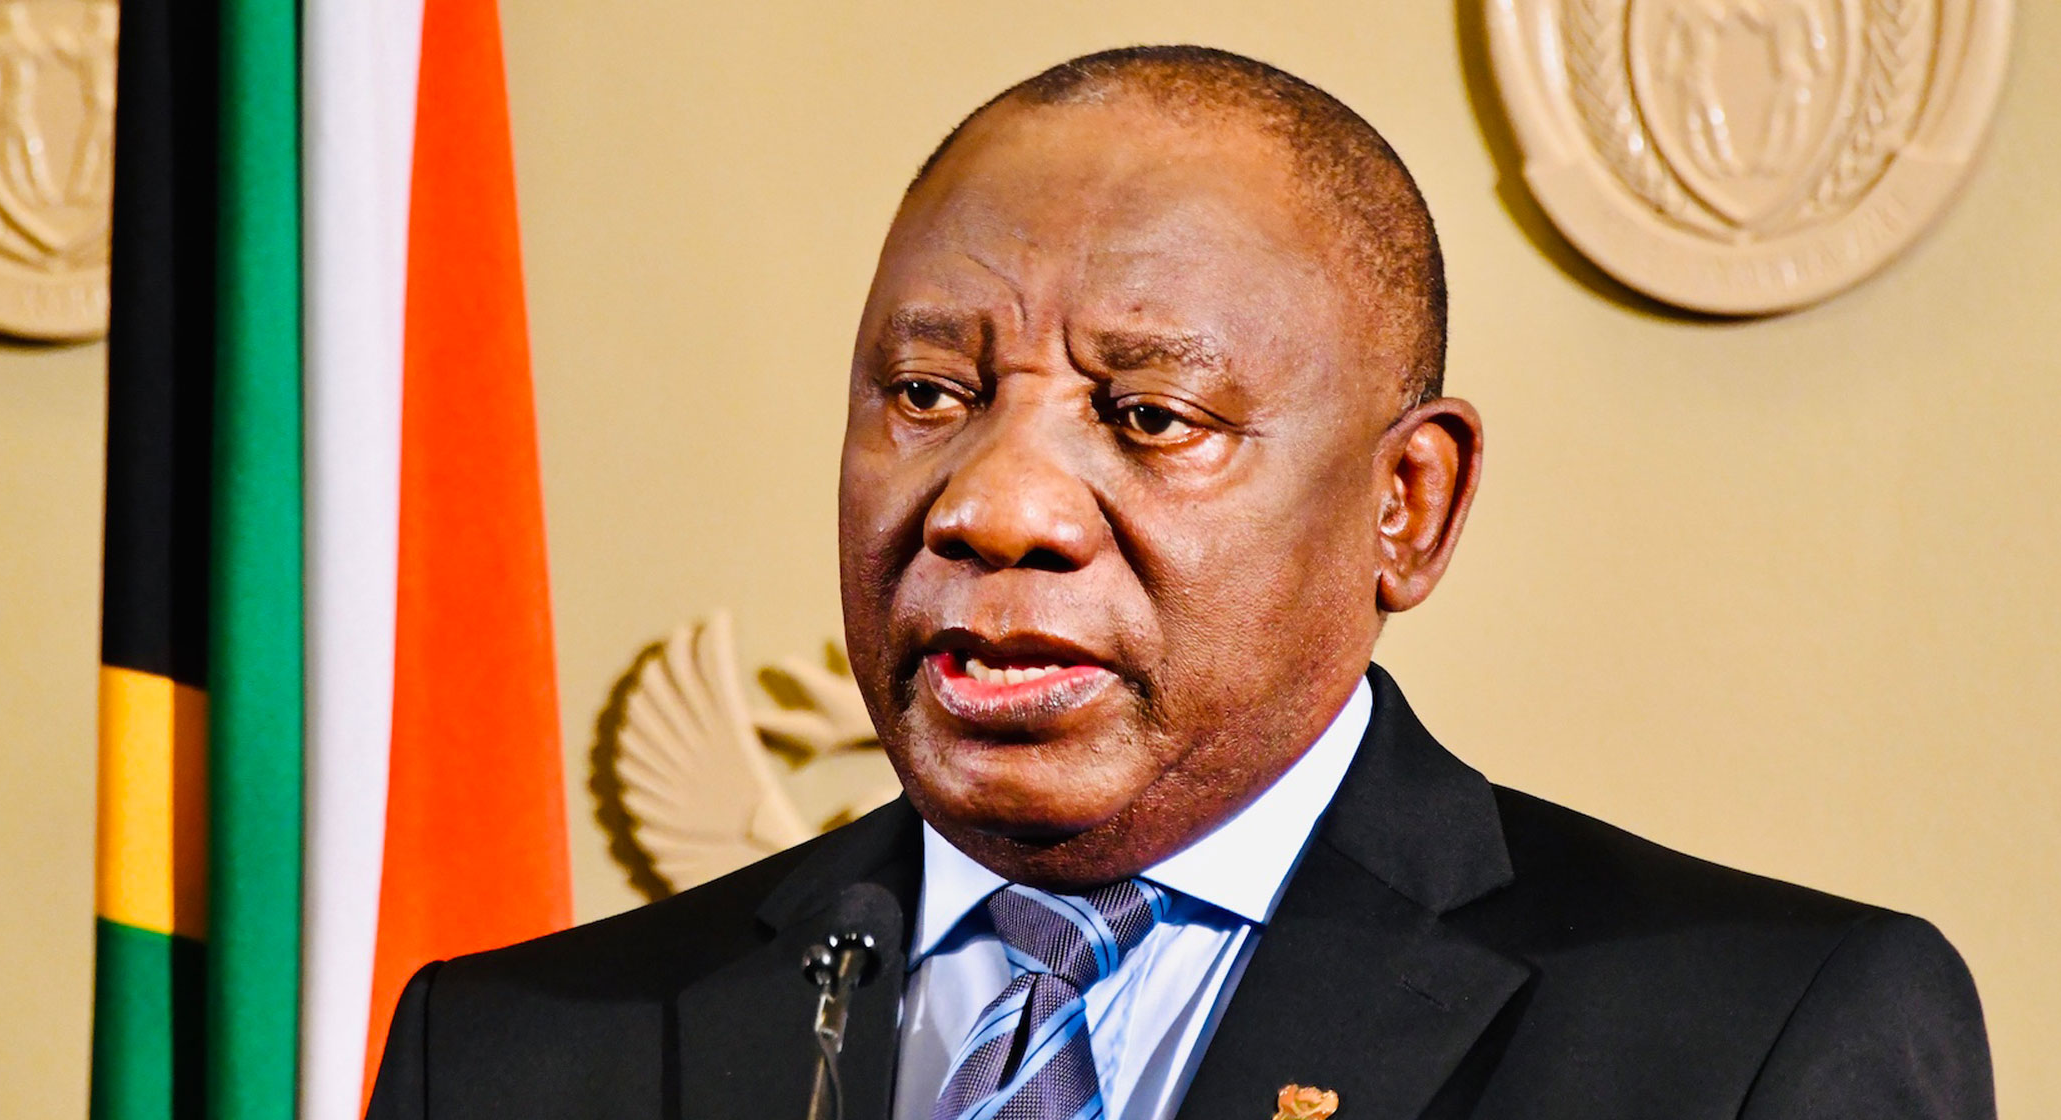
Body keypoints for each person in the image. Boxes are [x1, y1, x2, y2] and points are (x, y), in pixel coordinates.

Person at [367, 46, 1994, 1120]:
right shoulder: (516, 1053)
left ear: (1406, 506)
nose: (996, 506)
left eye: (1150, 416)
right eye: (928, 394)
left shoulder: (1753, 1043)